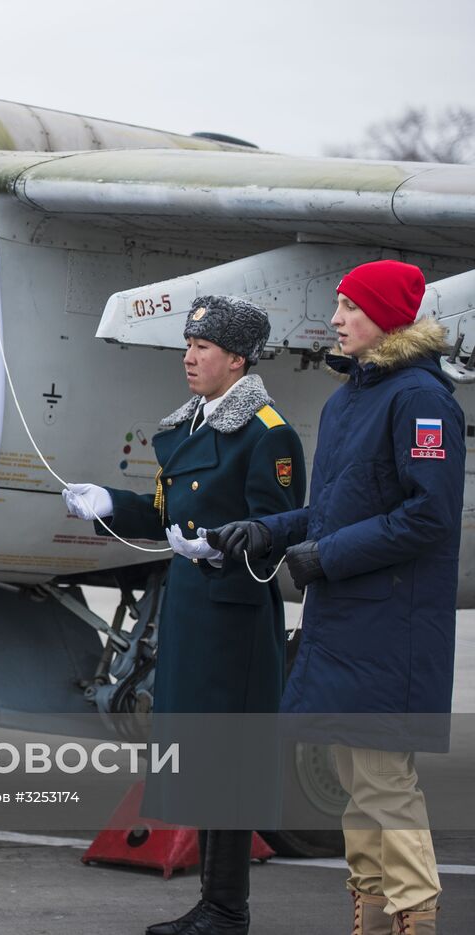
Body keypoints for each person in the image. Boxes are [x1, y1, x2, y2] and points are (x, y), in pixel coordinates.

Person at [211, 261, 462, 935]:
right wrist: (267, 529)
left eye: (351, 305)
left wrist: (328, 556)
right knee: (357, 782)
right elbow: (332, 510)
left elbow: (430, 516)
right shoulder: (348, 398)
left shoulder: (421, 399)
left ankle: (413, 917)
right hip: (346, 620)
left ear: (387, 317)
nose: (337, 317)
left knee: (383, 782)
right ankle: (373, 916)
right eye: (338, 303)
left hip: (390, 625)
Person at [62, 297, 306, 935]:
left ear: (237, 359)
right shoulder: (194, 424)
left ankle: (228, 909)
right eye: (187, 347)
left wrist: (220, 543)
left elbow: (273, 533)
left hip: (232, 618)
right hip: (194, 613)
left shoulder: (266, 432)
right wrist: (109, 502)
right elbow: (167, 516)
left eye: (203, 349)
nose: (190, 358)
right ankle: (215, 905)